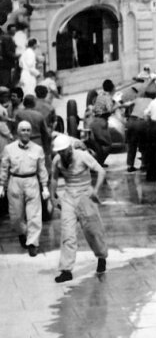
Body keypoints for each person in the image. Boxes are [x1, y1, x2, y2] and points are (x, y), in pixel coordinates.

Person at [49, 134, 108, 283]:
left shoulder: (82, 156)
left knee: (93, 231)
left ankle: (101, 256)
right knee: (67, 233)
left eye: (64, 151)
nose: (62, 154)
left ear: (70, 148)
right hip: (69, 196)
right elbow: (54, 178)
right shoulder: (57, 160)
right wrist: (52, 197)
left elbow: (101, 171)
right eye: (59, 152)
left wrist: (96, 190)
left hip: (84, 195)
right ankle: (66, 269)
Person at [0, 121, 49, 257]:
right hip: (15, 182)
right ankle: (23, 232)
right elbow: (4, 168)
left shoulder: (37, 149)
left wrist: (44, 187)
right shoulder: (9, 149)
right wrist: (1, 185)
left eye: (28, 130)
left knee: (34, 215)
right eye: (23, 130)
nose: (26, 133)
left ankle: (33, 243)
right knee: (16, 216)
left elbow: (42, 169)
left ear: (31, 132)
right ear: (17, 132)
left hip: (32, 181)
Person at [89, 79, 118, 166]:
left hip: (94, 121)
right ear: (112, 88)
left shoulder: (99, 96)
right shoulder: (108, 97)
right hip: (101, 123)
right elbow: (110, 110)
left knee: (98, 145)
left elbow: (94, 108)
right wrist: (117, 106)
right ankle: (98, 163)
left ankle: (99, 163)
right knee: (108, 145)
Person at [125, 90, 155, 173]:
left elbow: (127, 105)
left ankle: (130, 166)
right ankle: (143, 164)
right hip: (142, 122)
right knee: (144, 144)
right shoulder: (152, 101)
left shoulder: (138, 99)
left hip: (131, 121)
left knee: (131, 145)